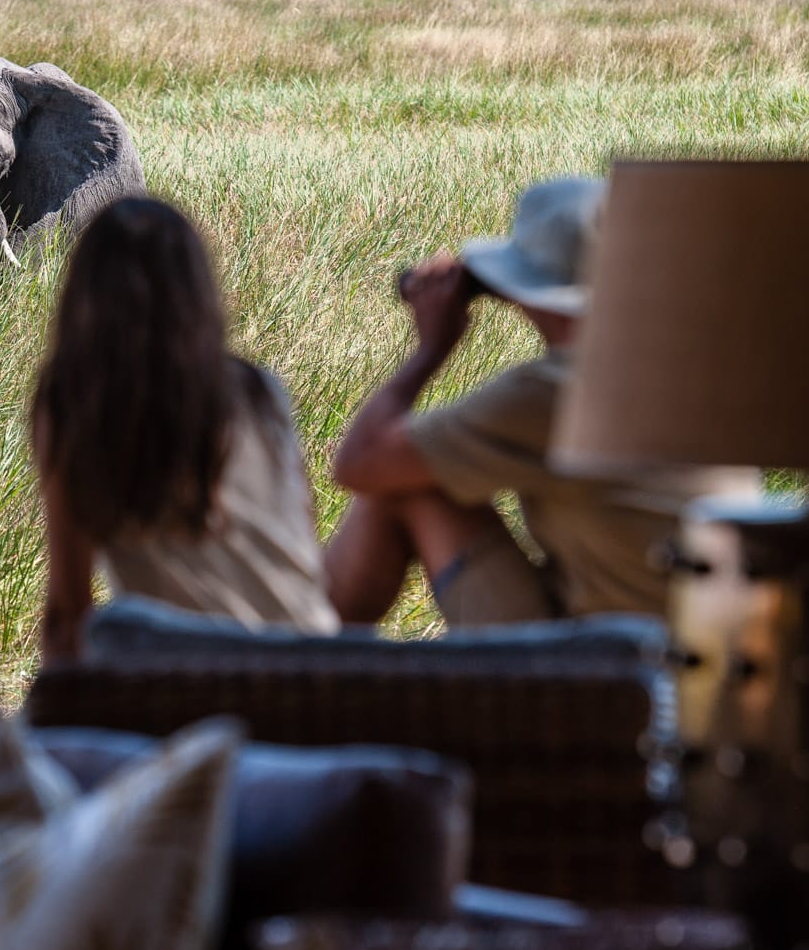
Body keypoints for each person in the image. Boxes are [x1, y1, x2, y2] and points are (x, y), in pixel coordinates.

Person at [324, 176, 760, 627]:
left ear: (522, 291)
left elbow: (361, 463)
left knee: (402, 484)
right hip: (708, 657)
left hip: (614, 666)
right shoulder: (687, 366)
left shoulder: (559, 392)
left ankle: (296, 661)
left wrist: (430, 349)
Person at [32, 197, 341, 664]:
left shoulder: (74, 403)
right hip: (316, 667)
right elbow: (305, 547)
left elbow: (68, 612)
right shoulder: (259, 391)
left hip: (190, 683)